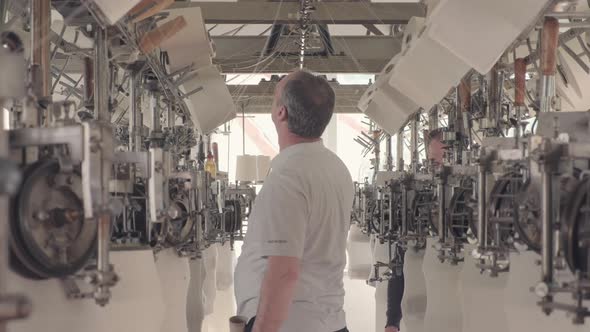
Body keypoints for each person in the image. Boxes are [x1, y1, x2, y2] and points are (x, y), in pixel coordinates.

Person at [234, 70, 354, 332]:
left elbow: (284, 272)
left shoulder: (288, 175)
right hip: (328, 321)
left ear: (281, 113)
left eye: (274, 96)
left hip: (289, 324)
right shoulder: (336, 167)